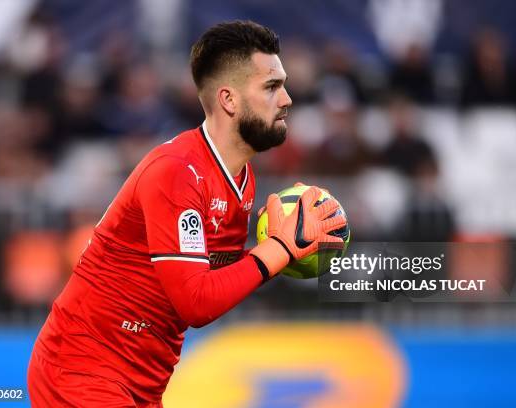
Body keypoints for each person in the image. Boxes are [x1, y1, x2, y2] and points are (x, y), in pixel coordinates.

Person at [27, 20, 346, 407]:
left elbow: (211, 281)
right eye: (271, 86)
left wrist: (277, 253)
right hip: (81, 369)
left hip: (140, 381)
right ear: (229, 100)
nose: (287, 99)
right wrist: (278, 249)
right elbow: (195, 303)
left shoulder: (240, 179)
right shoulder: (178, 171)